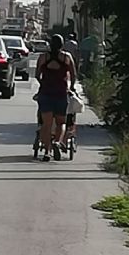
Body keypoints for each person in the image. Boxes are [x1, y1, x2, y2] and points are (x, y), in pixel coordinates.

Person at [35, 34, 77, 162]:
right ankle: (58, 143)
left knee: (46, 125)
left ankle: (47, 152)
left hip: (46, 94)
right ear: (62, 44)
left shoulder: (43, 57)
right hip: (60, 94)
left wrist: (43, 84)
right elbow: (74, 74)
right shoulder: (66, 57)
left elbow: (37, 75)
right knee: (61, 123)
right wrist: (71, 87)